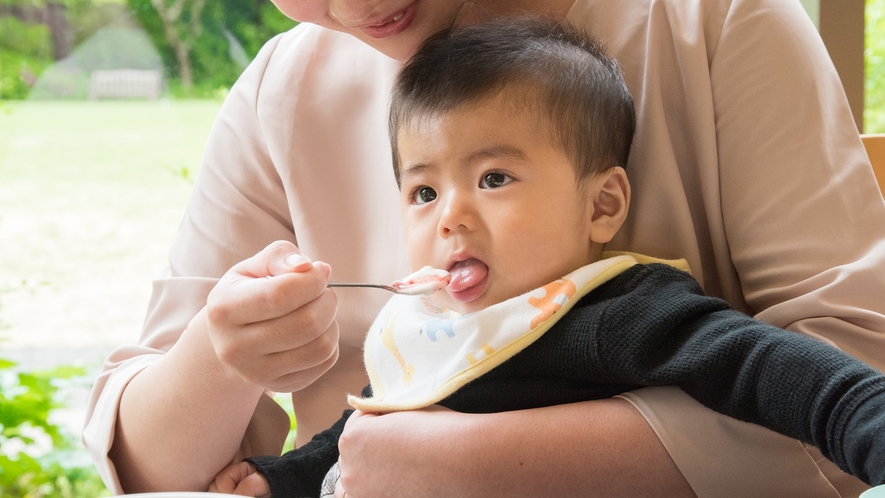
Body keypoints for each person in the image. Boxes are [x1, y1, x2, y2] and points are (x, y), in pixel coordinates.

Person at [82, 0, 885, 496]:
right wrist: (223, 358)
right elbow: (154, 470)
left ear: (606, 198)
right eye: (423, 192)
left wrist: (477, 465)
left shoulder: (715, 20)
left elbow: (853, 378)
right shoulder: (281, 91)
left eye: (497, 178)